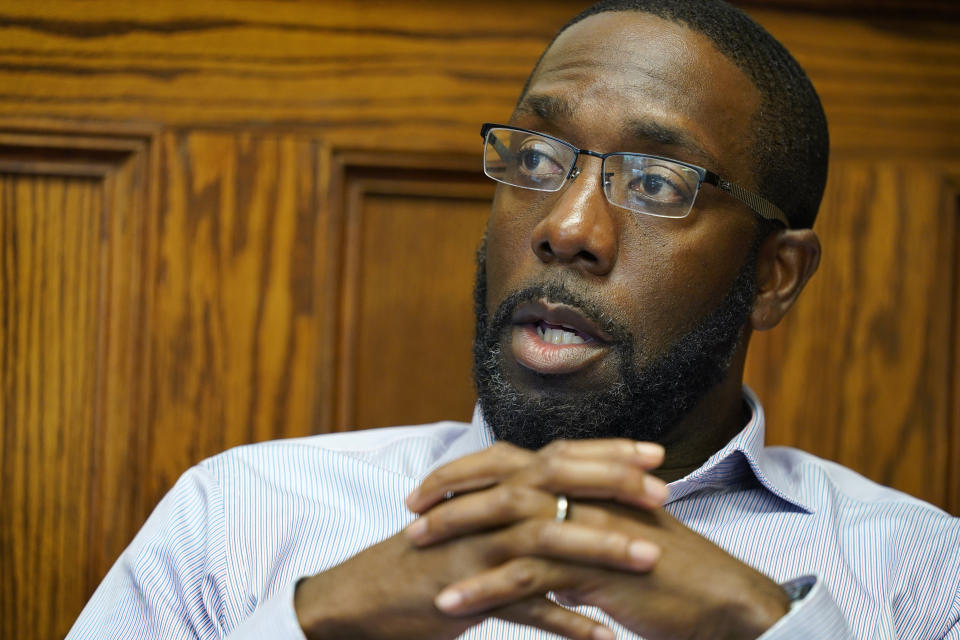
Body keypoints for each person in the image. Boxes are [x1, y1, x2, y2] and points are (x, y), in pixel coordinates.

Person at [68, 0, 960, 638]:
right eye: (535, 157)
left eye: (655, 183)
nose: (567, 229)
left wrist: (764, 631)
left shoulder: (922, 577)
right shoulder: (240, 516)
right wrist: (313, 626)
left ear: (775, 275)